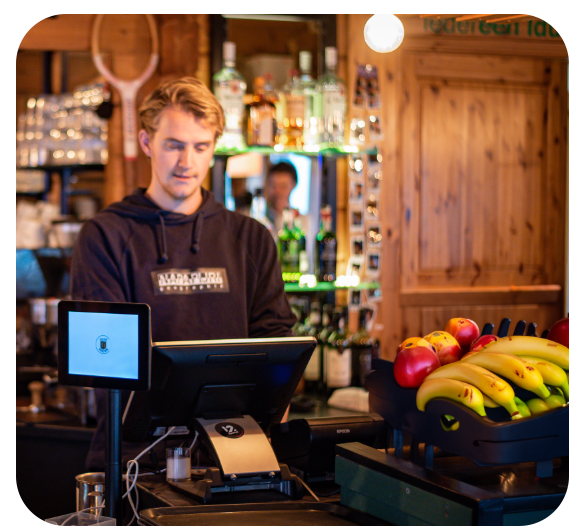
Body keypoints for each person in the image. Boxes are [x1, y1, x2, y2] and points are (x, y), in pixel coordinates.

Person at [70, 77, 296, 471]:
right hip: (135, 459)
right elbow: (102, 362)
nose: (186, 162)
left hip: (233, 453)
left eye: (200, 146)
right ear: (146, 143)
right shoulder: (106, 236)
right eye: (173, 145)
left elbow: (277, 347)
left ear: (214, 147)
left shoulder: (251, 239)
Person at [264, 160, 307, 237]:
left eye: (283, 186)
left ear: (293, 185)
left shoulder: (303, 221)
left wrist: (281, 214)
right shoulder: (258, 217)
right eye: (273, 186)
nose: (278, 191)